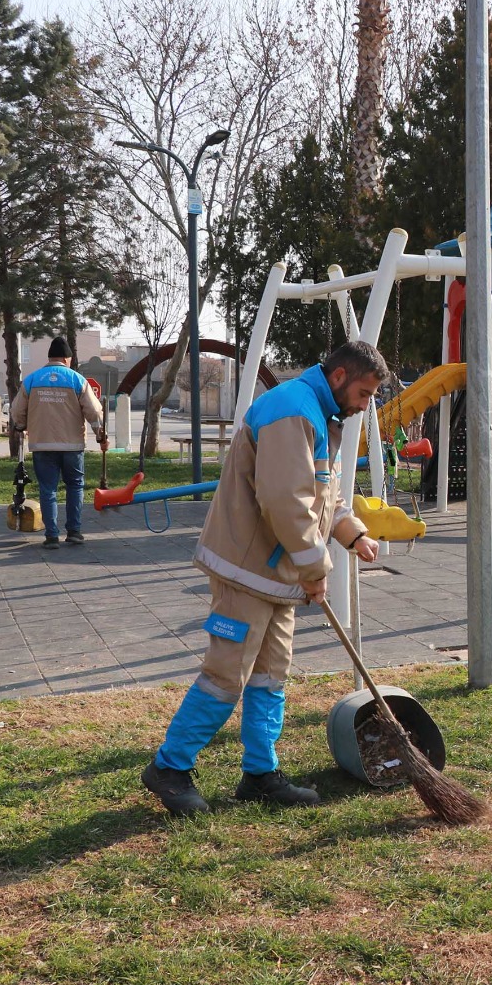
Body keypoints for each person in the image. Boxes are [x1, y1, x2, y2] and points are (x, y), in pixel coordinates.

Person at [141, 341, 387, 815]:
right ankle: (169, 767)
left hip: (277, 574)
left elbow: (323, 494)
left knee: (270, 675)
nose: (364, 405)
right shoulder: (292, 411)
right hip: (247, 570)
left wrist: (352, 533)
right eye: (363, 393)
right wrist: (315, 570)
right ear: (339, 376)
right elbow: (285, 502)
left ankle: (260, 773)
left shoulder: (320, 416)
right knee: (226, 675)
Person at [9, 337, 105, 548]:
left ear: (50, 358)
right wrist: (100, 435)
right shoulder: (77, 380)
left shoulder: (32, 380)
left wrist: (21, 425)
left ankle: (51, 535)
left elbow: (16, 410)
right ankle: (74, 531)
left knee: (48, 489)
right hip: (72, 446)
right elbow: (94, 411)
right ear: (67, 359)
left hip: (42, 444)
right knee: (75, 486)